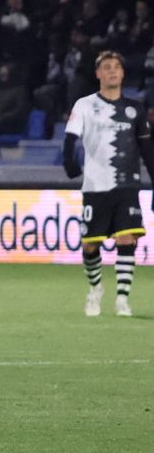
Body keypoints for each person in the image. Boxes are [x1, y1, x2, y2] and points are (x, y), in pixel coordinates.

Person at [64, 51, 154, 317]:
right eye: (107, 67)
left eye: (116, 67)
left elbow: (147, 149)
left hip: (128, 185)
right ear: (98, 74)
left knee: (126, 238)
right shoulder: (85, 105)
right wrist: (70, 163)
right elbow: (70, 138)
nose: (112, 71)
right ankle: (95, 289)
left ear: (123, 73)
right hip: (95, 186)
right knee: (90, 245)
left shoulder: (135, 109)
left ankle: (122, 299)